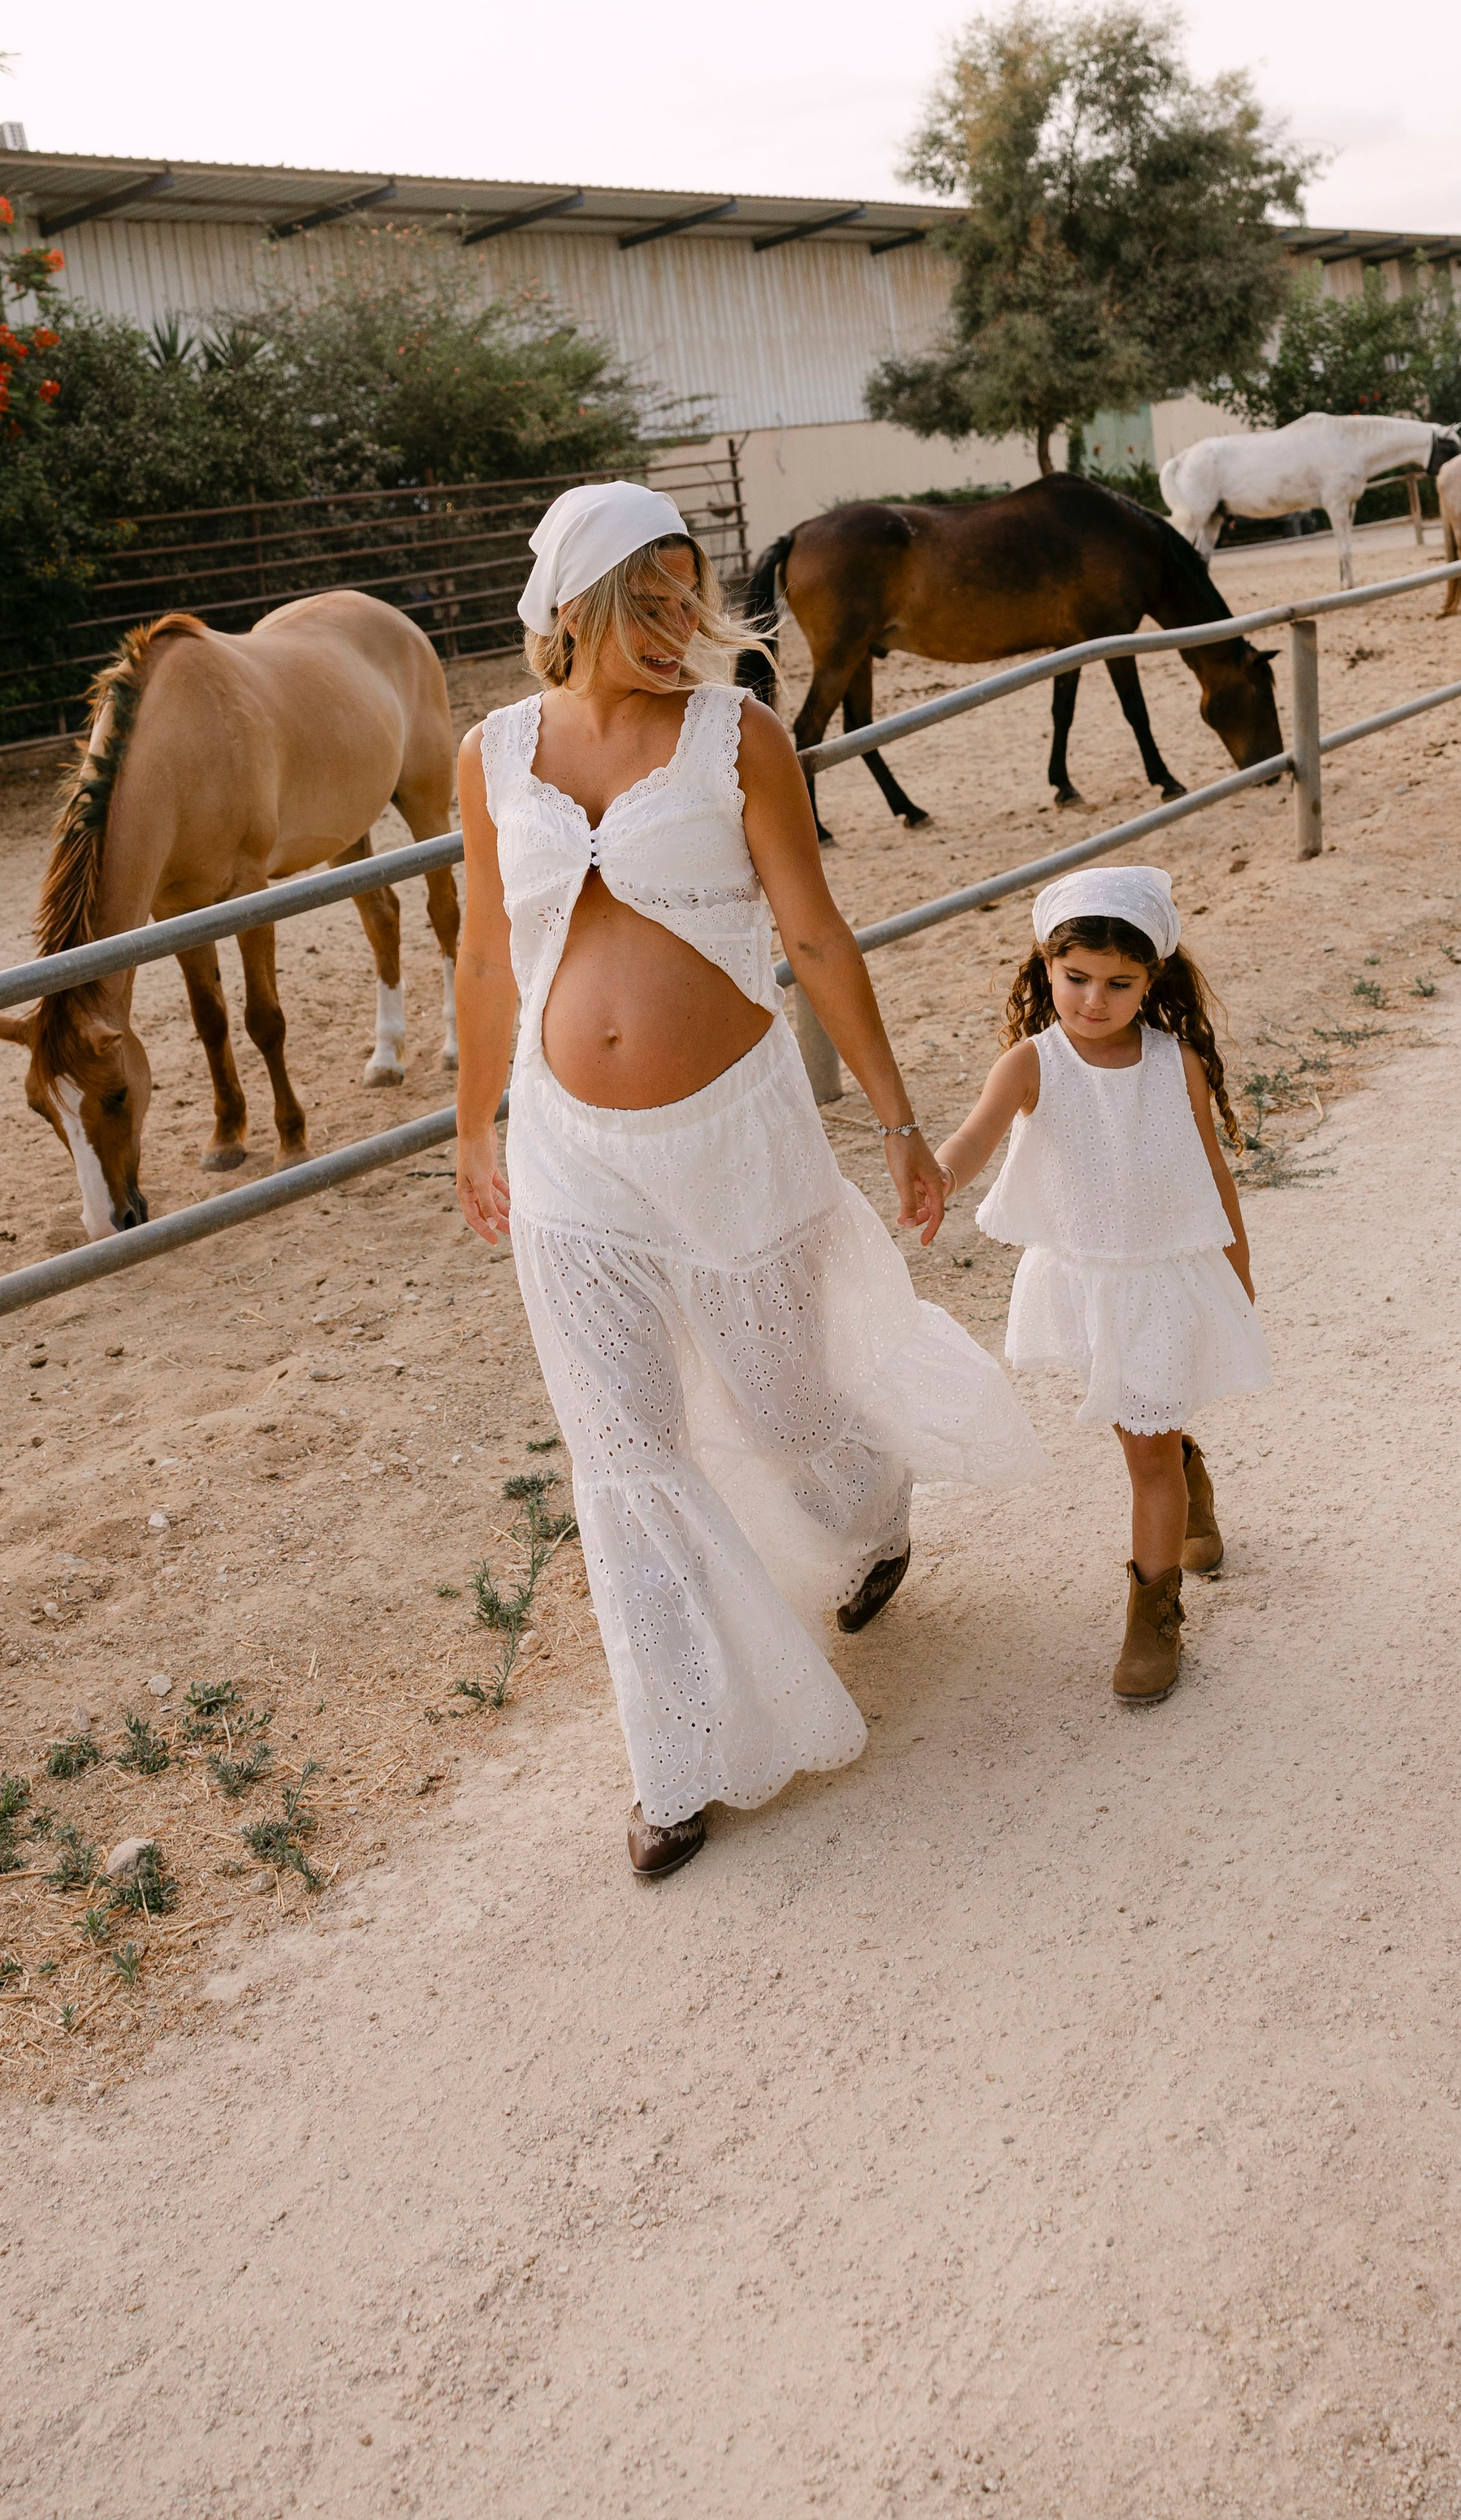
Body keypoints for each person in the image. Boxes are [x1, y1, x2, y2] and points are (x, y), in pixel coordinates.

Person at [452, 479, 1041, 1881]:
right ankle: (682, 1755)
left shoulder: (740, 735)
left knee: (786, 1404)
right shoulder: (491, 751)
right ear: (575, 609)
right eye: (646, 606)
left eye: (689, 600)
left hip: (734, 1131)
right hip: (567, 1151)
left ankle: (871, 1509)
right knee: (623, 1448)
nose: (679, 629)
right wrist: (471, 1120)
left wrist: (900, 1122)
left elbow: (818, 937)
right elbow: (483, 951)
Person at [932, 867, 1270, 1706]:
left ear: (1151, 979)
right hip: (1083, 1283)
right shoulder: (1031, 1063)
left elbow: (1210, 1167)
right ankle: (1186, 1471)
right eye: (1075, 978)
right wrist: (933, 1181)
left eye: (1119, 984)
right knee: (1140, 1427)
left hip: (1163, 1275)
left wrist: (1238, 1264)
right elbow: (974, 1139)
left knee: (1140, 1447)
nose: (1093, 1000)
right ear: (1045, 967)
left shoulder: (1174, 1062)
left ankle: (1152, 1616)